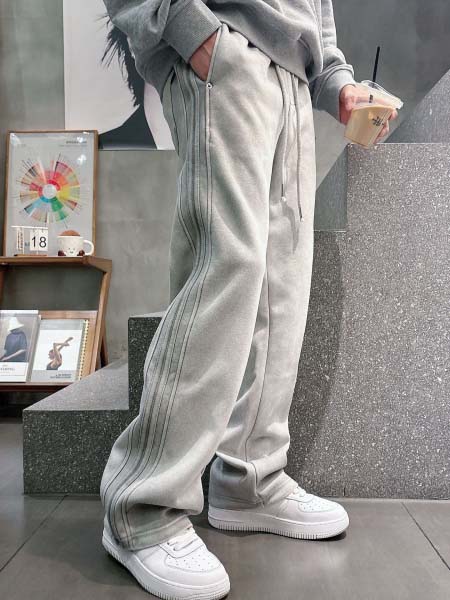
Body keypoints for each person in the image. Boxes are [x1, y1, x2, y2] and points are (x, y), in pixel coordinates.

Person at [99, 2, 398, 599]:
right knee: (226, 269)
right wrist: (190, 30)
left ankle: (249, 477)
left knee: (281, 283)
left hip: (292, 81)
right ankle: (141, 505)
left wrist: (334, 78)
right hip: (223, 50)